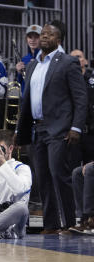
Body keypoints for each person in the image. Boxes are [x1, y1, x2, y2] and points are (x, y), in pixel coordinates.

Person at [15, 22, 88, 232]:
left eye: (49, 34)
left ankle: (69, 222)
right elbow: (27, 100)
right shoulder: (33, 65)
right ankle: (51, 224)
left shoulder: (67, 62)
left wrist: (76, 127)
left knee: (59, 174)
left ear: (59, 39)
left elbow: (80, 98)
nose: (44, 36)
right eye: (42, 34)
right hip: (37, 129)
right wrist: (21, 131)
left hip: (60, 127)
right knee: (42, 178)